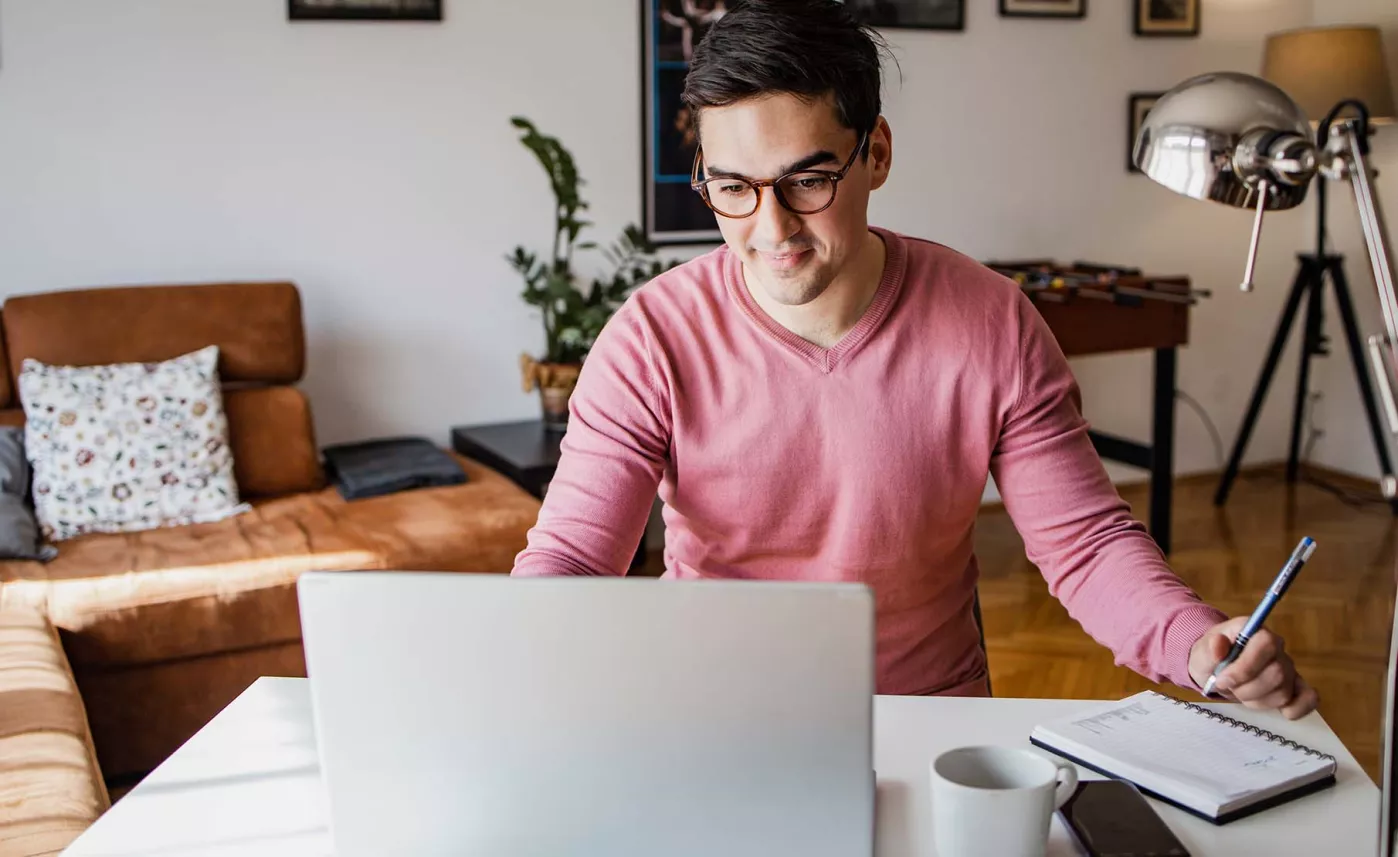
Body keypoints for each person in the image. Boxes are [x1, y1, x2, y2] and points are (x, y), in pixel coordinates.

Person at [512, 0, 1318, 721]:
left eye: (810, 179)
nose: (772, 228)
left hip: (929, 715)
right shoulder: (652, 336)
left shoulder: (991, 320)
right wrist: (509, 657)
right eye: (733, 188)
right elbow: (577, 556)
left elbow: (1086, 544)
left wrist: (1194, 640)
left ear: (878, 154)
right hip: (716, 714)